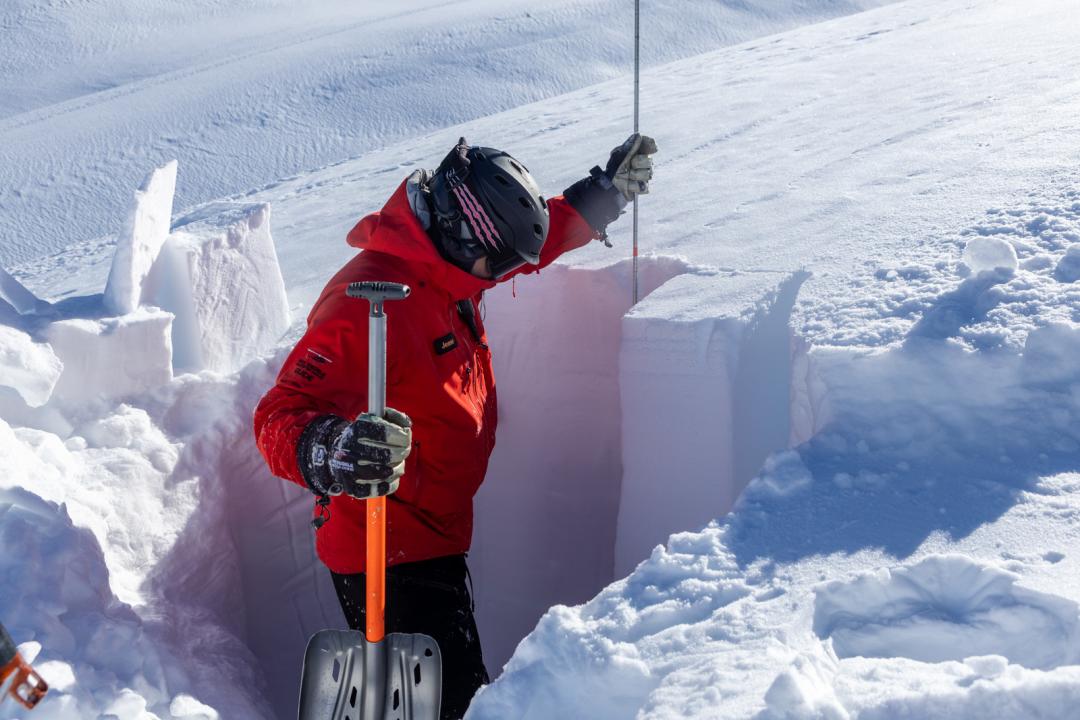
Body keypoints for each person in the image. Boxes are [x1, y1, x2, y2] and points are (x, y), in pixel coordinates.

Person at [253, 133, 657, 718]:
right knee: (459, 705)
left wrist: (600, 198)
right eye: (498, 263)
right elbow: (277, 414)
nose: (501, 274)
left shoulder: (447, 263)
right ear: (462, 232)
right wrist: (334, 449)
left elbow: (522, 247)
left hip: (434, 531)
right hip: (384, 549)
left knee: (459, 695)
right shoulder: (364, 302)